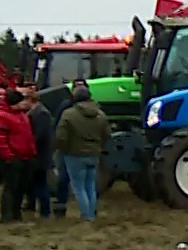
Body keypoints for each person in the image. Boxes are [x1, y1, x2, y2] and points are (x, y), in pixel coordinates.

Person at [54, 80, 110, 223]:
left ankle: (87, 216)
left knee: (78, 187)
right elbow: (107, 135)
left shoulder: (68, 114)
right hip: (93, 154)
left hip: (74, 154)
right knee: (90, 185)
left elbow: (61, 137)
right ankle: (91, 212)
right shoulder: (101, 114)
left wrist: (65, 150)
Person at [0, 90, 37, 223]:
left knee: (21, 187)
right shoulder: (3, 116)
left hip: (27, 157)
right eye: (22, 101)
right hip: (14, 158)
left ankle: (17, 212)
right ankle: (7, 215)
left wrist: (32, 152)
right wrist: (8, 156)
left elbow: (29, 136)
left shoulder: (23, 115)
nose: (24, 103)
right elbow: (1, 139)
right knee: (11, 188)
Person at [22, 86, 55, 219]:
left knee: (41, 184)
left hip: (40, 155)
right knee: (35, 183)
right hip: (35, 154)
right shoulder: (33, 112)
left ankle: (45, 211)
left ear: (30, 100)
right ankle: (34, 206)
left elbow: (40, 135)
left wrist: (29, 146)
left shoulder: (42, 113)